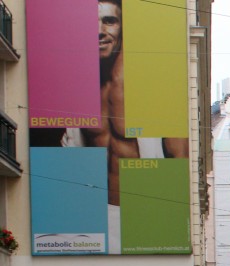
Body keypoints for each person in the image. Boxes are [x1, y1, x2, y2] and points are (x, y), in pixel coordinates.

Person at [61, 0, 188, 253]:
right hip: (93, 214)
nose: (99, 31)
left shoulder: (149, 82)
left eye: (110, 21)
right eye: (91, 22)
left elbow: (179, 157)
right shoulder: (77, 89)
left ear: (124, 28)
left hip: (144, 210)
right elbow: (69, 159)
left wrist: (169, 223)